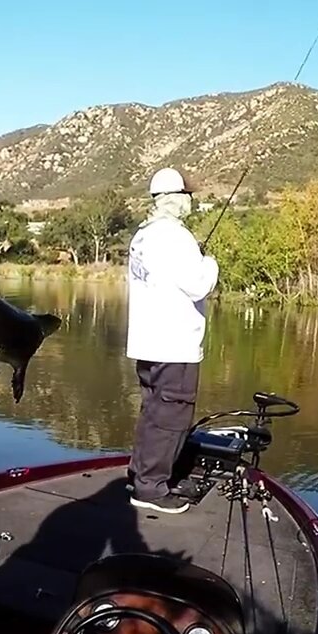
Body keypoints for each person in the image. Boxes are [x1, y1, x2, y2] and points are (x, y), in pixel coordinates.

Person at [124, 167, 219, 515]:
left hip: (148, 342)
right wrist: (209, 262)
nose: (190, 202)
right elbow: (198, 283)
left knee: (153, 411)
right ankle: (150, 488)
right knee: (172, 416)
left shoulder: (143, 236)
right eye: (188, 196)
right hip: (174, 343)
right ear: (176, 198)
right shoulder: (176, 237)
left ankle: (142, 474)